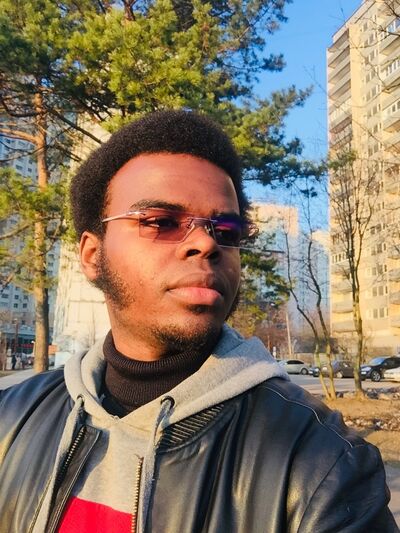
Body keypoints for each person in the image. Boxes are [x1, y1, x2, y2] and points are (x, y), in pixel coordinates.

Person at [0, 110, 397, 533]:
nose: (207, 243)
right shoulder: (12, 418)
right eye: (161, 222)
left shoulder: (320, 462)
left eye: (226, 230)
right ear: (92, 256)